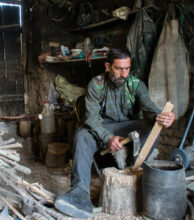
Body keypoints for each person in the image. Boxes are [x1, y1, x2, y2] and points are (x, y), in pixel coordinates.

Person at [54, 49, 175, 218]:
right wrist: (107, 137)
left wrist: (163, 118)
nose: (123, 74)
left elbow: (151, 110)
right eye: (119, 69)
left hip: (127, 126)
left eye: (127, 69)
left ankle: (135, 165)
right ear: (108, 66)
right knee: (81, 135)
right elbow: (92, 119)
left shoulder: (135, 84)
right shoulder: (96, 85)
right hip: (103, 126)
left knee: (152, 125)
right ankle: (79, 194)